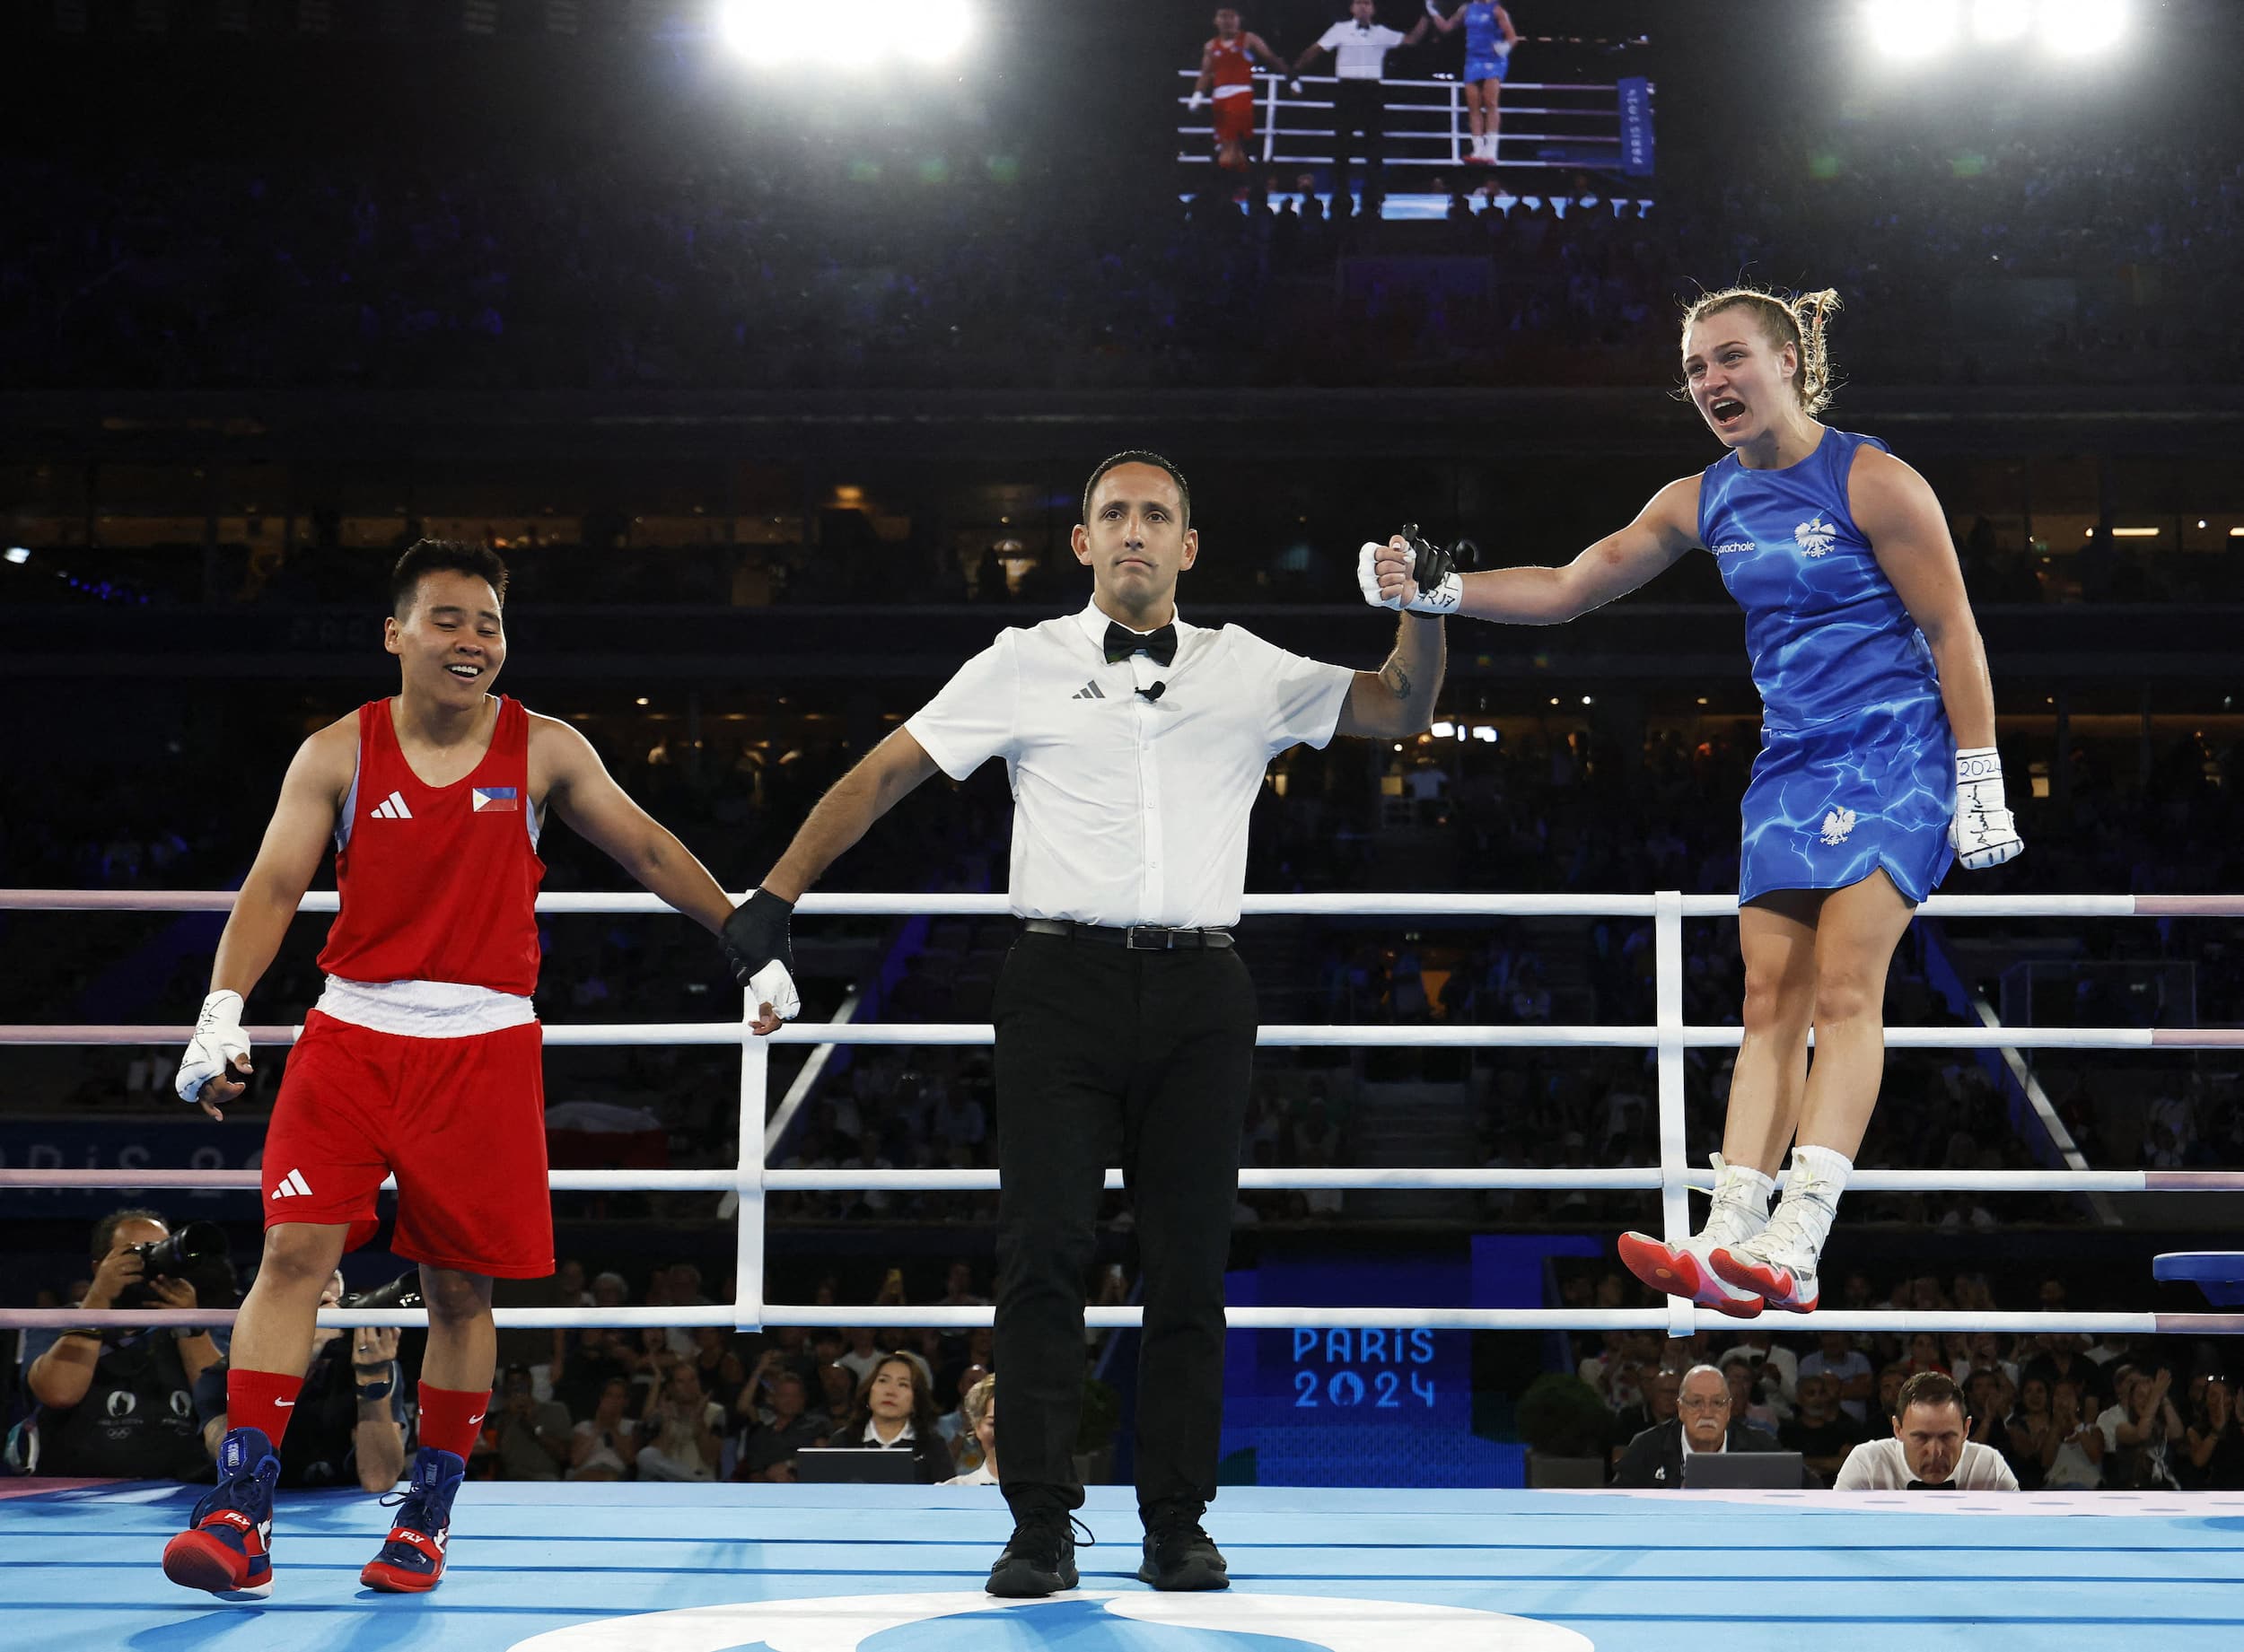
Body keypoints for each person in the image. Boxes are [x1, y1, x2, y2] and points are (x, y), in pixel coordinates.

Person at [719, 449, 1442, 1597]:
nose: (1135, 531)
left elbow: (1401, 704)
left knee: (1190, 1268)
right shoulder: (1020, 662)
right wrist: (772, 896)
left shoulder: (1244, 666)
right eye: (1114, 514)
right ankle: (1040, 1523)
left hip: (1203, 988)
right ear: (1082, 542)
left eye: (1157, 514)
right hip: (1059, 985)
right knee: (1042, 1257)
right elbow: (884, 773)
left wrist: (1422, 606)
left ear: (1188, 545)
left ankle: (1177, 1522)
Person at [1364, 286, 2024, 1318]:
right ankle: (1729, 1232)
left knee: (1848, 985)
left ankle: (1798, 1238)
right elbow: (1570, 585)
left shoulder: (1877, 481)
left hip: (1899, 750)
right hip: (1791, 761)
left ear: (1789, 362)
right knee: (1768, 1000)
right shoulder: (1700, 497)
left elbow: (1953, 630)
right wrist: (1437, 587)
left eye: (1730, 359)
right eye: (1695, 369)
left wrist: (1981, 776)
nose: (1711, 381)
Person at [162, 538, 741, 1603]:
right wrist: (220, 1009)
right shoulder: (336, 751)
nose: (473, 641)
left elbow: (649, 848)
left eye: (490, 624)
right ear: (396, 633)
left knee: (459, 1289)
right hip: (353, 1033)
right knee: (291, 1253)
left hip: (481, 1042)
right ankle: (240, 1507)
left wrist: (743, 932)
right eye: (448, 619)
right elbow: (274, 885)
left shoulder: (544, 747)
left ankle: (425, 1517)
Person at [19, 1209, 231, 1481]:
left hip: (182, 1491)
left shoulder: (204, 1323)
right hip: (76, 1489)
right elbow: (59, 1393)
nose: (150, 1263)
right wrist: (97, 1299)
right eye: (135, 1254)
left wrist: (188, 1322)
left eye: (158, 1251)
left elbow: (225, 1404)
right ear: (99, 1266)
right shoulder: (57, 1321)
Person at [194, 1269, 406, 1493]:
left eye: (334, 1302)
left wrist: (371, 1376)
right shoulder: (224, 1376)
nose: (326, 1304)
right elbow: (238, 1467)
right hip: (258, 1503)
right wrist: (295, 1358)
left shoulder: (370, 1364)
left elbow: (378, 1479)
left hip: (340, 1504)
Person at [1293, 2, 1435, 216]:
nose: (1363, 7)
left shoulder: (1381, 33)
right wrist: (1294, 72)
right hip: (1347, 90)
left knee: (1374, 146)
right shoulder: (1339, 29)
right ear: (1352, 8)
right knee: (1342, 145)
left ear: (1373, 9)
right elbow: (1315, 50)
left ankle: (1373, 196)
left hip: (1372, 91)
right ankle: (1341, 194)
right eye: (1358, 3)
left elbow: (1411, 40)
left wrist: (1427, 15)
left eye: (1367, 3)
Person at [1833, 1371, 2018, 1490]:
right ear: (1898, 1429)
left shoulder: (1987, 1465)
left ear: (1965, 1430)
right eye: (1921, 1437)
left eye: (1947, 1437)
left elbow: (2020, 1537)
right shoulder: (1868, 1463)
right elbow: (1836, 1536)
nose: (1935, 1451)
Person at [1611, 1362, 1788, 1488]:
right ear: (1680, 1409)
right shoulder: (1647, 1447)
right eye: (1696, 1403)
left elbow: (1809, 1490)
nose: (1707, 1413)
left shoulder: (1761, 1446)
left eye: (1717, 1403)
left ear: (1728, 1409)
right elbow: (1616, 1505)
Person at [827, 1353, 957, 1484]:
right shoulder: (842, 1442)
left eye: (903, 1384)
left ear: (915, 1401)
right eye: (883, 1380)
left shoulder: (932, 1445)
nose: (890, 1391)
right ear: (869, 1391)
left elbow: (946, 1498)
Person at [1189, 9, 1284, 178]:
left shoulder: (1248, 39)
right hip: (1218, 98)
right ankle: (1241, 185)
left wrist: (1292, 77)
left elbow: (1271, 58)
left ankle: (1226, 186)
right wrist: (1197, 95)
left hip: (1240, 95)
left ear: (1239, 19)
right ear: (1216, 20)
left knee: (1230, 145)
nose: (1228, 21)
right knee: (1230, 146)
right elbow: (1205, 73)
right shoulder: (1211, 46)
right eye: (1223, 17)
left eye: (1232, 16)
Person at [1424, 1, 1520, 165]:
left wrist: (1504, 47)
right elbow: (1447, 28)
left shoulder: (1497, 10)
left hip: (1493, 59)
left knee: (1490, 102)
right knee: (1473, 106)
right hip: (1473, 60)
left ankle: (1491, 150)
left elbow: (1512, 37)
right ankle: (1478, 150)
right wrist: (1433, 12)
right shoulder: (1466, 9)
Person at [1779, 1372, 1863, 1486]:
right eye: (1811, 1393)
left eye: (1822, 1393)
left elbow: (1850, 1463)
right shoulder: (1787, 1430)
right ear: (1799, 1399)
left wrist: (1804, 1462)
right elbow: (1785, 1465)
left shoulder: (1841, 1430)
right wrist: (1828, 1463)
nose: (1818, 1399)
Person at [944, 1373, 1002, 1487]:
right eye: (993, 1424)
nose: (1004, 1433)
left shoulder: (1045, 1494)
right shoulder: (951, 1492)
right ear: (977, 1427)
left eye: (1013, 1424)